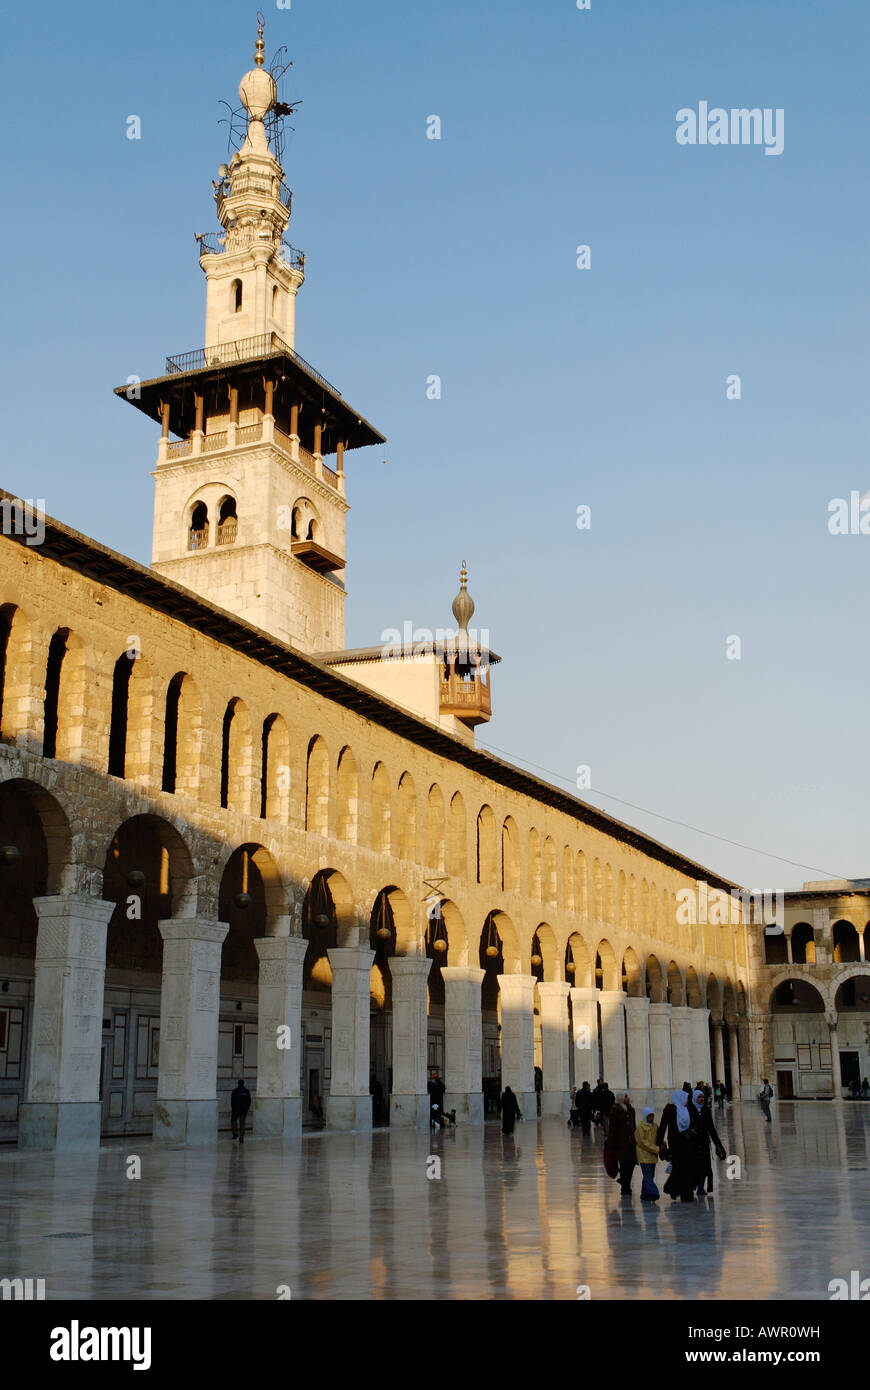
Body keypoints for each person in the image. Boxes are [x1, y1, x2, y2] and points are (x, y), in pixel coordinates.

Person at [656, 1089, 697, 1201]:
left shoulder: (686, 1110)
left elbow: (692, 1124)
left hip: (686, 1142)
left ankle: (684, 1193)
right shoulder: (670, 1110)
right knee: (679, 1167)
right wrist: (660, 1142)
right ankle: (672, 1188)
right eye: (686, 1098)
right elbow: (663, 1126)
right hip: (675, 1143)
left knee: (686, 1168)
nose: (687, 1101)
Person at [690, 1088, 726, 1195]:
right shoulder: (690, 1110)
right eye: (699, 1097)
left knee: (705, 1167)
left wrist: (718, 1144)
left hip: (704, 1143)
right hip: (694, 1144)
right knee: (695, 1166)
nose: (701, 1099)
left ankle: (701, 1188)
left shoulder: (705, 1110)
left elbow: (711, 1129)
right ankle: (693, 1186)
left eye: (702, 1097)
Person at [606, 1094, 637, 1195]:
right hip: (620, 1143)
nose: (628, 1098)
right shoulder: (615, 1110)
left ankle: (624, 1181)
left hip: (631, 1143)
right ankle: (625, 1187)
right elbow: (612, 1129)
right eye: (626, 1096)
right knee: (624, 1165)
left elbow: (634, 1126)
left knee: (631, 1164)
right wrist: (610, 1143)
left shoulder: (631, 1109)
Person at [635, 1106, 660, 1202]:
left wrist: (662, 1147)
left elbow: (658, 1139)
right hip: (644, 1156)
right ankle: (654, 1192)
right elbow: (642, 1142)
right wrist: (656, 1149)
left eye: (652, 1116)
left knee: (650, 1175)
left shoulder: (655, 1126)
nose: (651, 1118)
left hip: (652, 1155)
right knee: (648, 1175)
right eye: (649, 1116)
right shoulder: (641, 1127)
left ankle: (644, 1194)